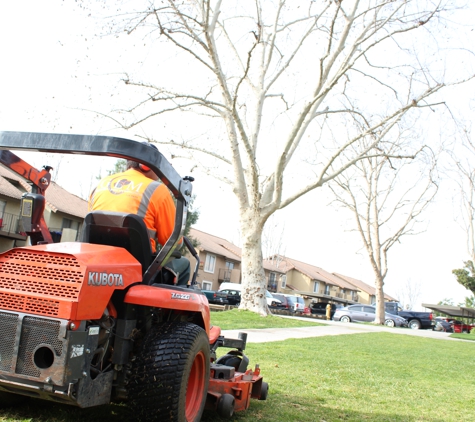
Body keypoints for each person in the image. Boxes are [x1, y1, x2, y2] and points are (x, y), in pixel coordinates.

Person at [88, 141, 191, 286]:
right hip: (140, 267)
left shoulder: (100, 185)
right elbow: (172, 241)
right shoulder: (157, 190)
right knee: (184, 264)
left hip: (97, 261)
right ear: (146, 165)